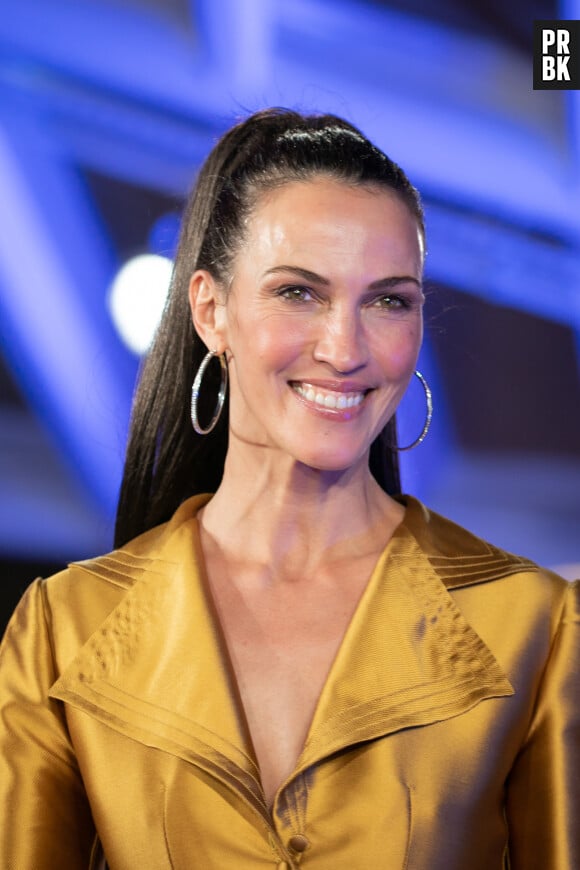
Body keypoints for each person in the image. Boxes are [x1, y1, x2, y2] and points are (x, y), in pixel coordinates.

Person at [0, 108, 578, 869]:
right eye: (299, 292)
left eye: (388, 300)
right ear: (211, 311)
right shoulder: (62, 631)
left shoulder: (533, 628)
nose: (344, 349)